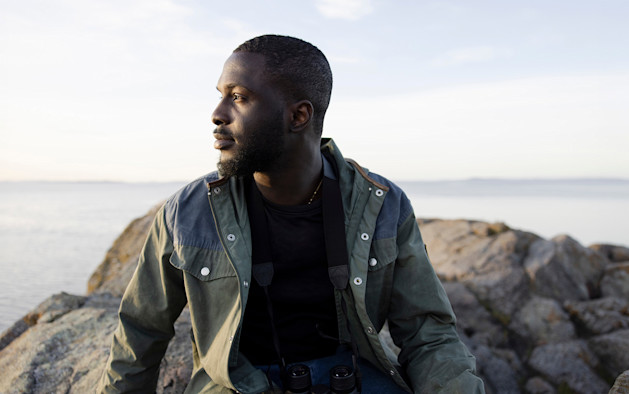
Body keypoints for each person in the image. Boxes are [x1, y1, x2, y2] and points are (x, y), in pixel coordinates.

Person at [103, 34, 484, 393]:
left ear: (298, 116)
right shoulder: (187, 213)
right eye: (221, 96)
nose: (217, 114)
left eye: (238, 97)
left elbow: (428, 332)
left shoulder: (383, 204)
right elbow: (140, 331)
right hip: (238, 383)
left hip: (353, 376)